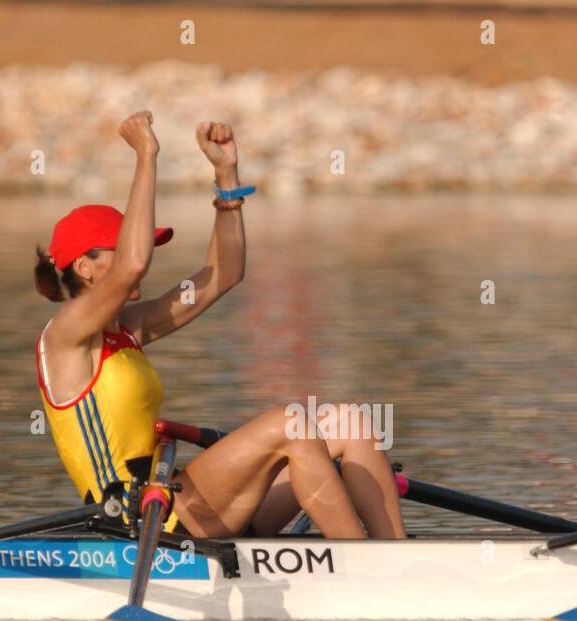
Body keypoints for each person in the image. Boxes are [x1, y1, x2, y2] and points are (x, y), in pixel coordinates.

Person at [32, 112, 405, 540]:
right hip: (140, 524)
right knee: (290, 422)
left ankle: (395, 559)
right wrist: (146, 155)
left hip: (186, 502)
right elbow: (133, 265)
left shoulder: (129, 328)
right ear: (84, 266)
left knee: (349, 422)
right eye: (119, 250)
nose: (139, 260)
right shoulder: (65, 336)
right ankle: (361, 569)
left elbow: (222, 274)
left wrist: (226, 175)